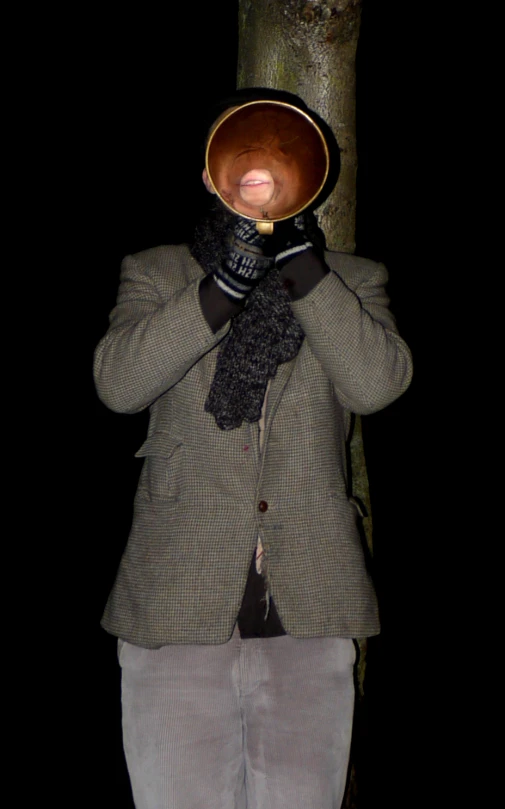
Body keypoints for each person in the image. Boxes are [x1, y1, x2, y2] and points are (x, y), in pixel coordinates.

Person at [94, 88, 413, 809]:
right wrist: (224, 285)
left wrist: (304, 270)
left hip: (310, 610)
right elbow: (118, 385)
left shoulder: (353, 281)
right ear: (210, 176)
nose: (254, 174)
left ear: (315, 173)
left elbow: (375, 384)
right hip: (174, 611)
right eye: (235, 161)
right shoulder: (157, 272)